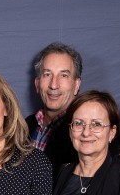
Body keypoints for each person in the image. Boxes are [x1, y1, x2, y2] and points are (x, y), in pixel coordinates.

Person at [25, 42, 83, 173]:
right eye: (47, 74)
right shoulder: (24, 127)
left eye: (63, 75)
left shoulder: (83, 133)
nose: (54, 85)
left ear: (76, 85)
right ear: (37, 84)